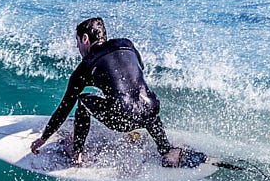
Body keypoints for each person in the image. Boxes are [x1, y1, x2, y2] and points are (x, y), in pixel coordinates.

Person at [29, 17, 188, 167]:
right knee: (142, 99)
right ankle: (166, 150)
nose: (78, 47)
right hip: (151, 111)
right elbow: (137, 70)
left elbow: (64, 108)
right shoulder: (127, 44)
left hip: (122, 120)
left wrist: (43, 138)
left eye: (77, 42)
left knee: (83, 100)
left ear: (85, 39)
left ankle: (76, 151)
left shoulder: (86, 65)